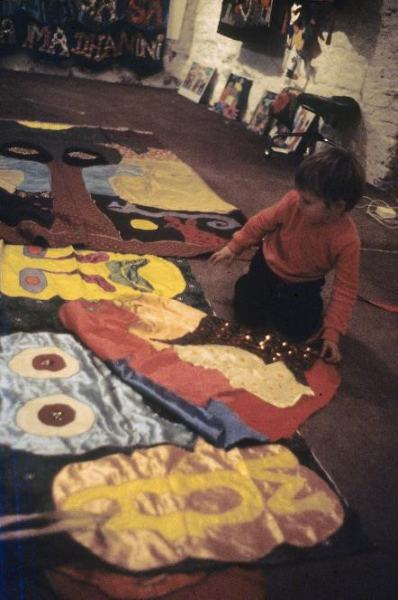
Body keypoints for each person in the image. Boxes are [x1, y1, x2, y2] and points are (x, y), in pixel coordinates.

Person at [209, 146, 366, 364]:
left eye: (308, 201)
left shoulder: (348, 241)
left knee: (299, 329)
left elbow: (345, 289)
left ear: (338, 207)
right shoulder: (293, 202)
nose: (298, 202)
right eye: (299, 195)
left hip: (303, 284)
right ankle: (255, 290)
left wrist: (333, 332)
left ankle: (282, 306)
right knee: (247, 313)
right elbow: (261, 222)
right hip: (266, 267)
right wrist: (235, 246)